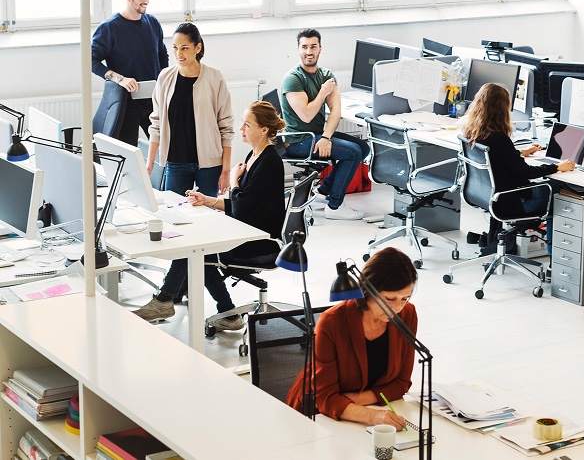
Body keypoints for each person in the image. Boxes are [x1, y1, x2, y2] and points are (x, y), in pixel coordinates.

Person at [133, 100, 286, 329]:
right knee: (196, 246)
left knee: (197, 251)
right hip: (247, 228)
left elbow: (242, 206)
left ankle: (169, 301)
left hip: (260, 241)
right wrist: (209, 201)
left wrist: (234, 179)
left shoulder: (269, 162)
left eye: (247, 125)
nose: (241, 129)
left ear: (264, 130)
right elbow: (243, 204)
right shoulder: (254, 156)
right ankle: (224, 312)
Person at [133, 22, 235, 321]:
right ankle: (223, 309)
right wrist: (150, 162)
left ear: (198, 47)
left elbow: (226, 126)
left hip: (209, 164)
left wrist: (226, 168)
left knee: (201, 232)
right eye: (175, 48)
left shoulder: (214, 79)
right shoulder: (165, 78)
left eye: (185, 48)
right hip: (175, 161)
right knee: (179, 232)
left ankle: (167, 297)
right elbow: (155, 124)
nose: (179, 54)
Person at [286, 247, 417, 429]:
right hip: (315, 415)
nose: (397, 308)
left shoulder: (407, 315)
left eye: (404, 298)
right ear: (367, 290)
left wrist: (363, 399)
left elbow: (402, 383)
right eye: (389, 299)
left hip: (360, 410)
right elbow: (325, 397)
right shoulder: (331, 322)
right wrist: (374, 416)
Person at [461, 83, 574, 253]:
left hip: (489, 196)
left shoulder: (472, 131)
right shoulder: (499, 138)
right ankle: (555, 255)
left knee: (554, 186)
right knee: (561, 190)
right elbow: (526, 172)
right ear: (501, 109)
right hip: (514, 202)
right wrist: (557, 167)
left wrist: (520, 153)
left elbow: (497, 158)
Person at [280, 28, 370, 220]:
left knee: (363, 147)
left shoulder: (326, 74)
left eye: (313, 46)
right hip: (299, 141)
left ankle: (324, 191)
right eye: (304, 47)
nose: (309, 52)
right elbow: (306, 115)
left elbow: (336, 110)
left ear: (320, 48)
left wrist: (327, 137)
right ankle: (334, 206)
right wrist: (322, 92)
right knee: (353, 153)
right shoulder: (293, 79)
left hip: (317, 136)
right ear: (298, 50)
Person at [91, 0, 169, 146]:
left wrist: (163, 81)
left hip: (154, 101)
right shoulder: (109, 28)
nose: (146, 1)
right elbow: (91, 61)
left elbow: (163, 55)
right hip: (126, 104)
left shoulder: (153, 23)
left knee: (166, 148)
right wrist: (120, 79)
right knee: (127, 151)